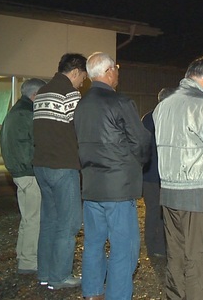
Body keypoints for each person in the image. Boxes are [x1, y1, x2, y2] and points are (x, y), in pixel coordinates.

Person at [153, 56, 203, 300]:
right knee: (199, 257)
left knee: (176, 254)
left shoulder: (163, 106)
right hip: (198, 190)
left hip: (168, 189)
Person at [73, 52, 151, 300]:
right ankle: (117, 294)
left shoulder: (81, 105)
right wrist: (137, 162)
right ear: (108, 72)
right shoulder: (120, 103)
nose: (117, 72)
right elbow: (140, 141)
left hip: (92, 184)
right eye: (115, 68)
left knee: (94, 243)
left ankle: (93, 291)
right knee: (123, 247)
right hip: (118, 186)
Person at [33, 53, 88, 290]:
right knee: (69, 223)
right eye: (83, 77)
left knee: (49, 222)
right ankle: (60, 276)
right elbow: (79, 129)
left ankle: (45, 273)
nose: (83, 83)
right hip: (63, 166)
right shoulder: (70, 93)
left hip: (41, 166)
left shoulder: (42, 92)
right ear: (75, 72)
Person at [0, 78, 47, 275]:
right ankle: (29, 261)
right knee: (34, 218)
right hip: (29, 172)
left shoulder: (14, 112)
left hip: (19, 172)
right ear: (35, 95)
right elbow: (37, 144)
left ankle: (23, 254)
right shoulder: (28, 114)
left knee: (28, 217)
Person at [142, 87, 176, 259]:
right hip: (162, 174)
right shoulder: (170, 118)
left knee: (152, 212)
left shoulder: (148, 118)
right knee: (162, 212)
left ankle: (152, 246)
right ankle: (160, 247)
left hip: (148, 174)